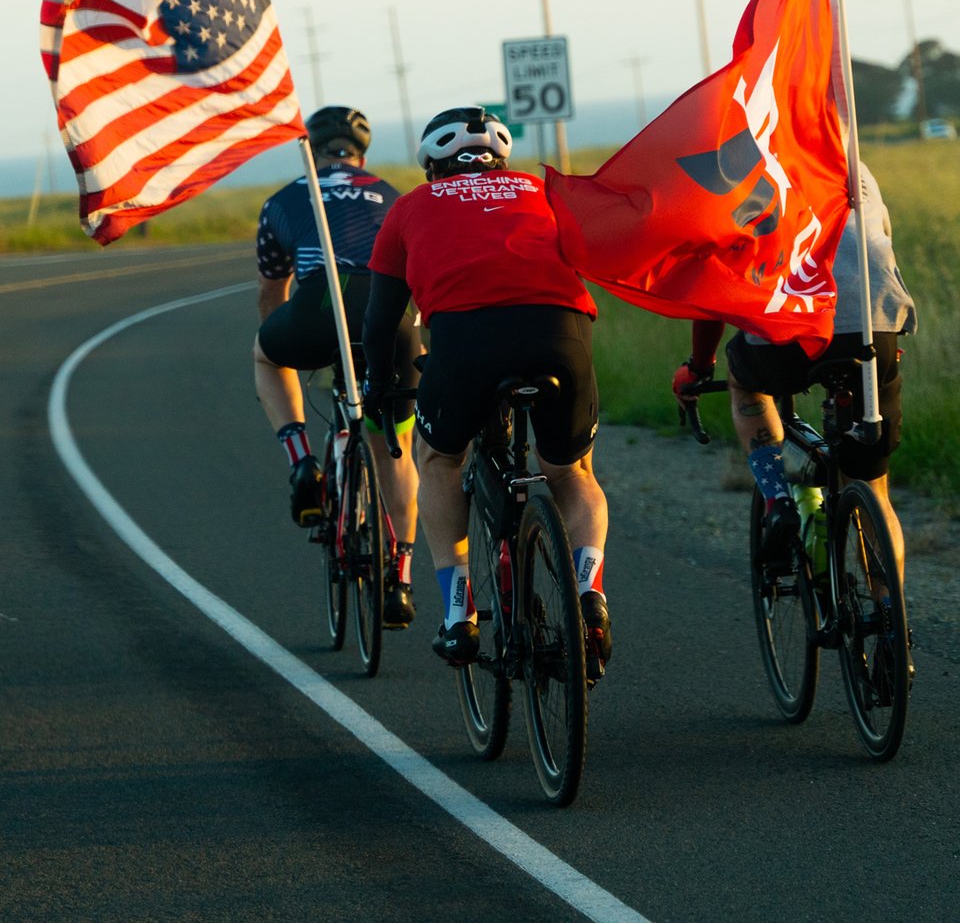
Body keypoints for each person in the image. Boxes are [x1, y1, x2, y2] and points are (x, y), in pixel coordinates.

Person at [361, 105, 611, 672]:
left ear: (432, 164)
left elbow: (380, 324)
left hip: (465, 340)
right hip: (561, 333)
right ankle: (590, 591)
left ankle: (457, 613)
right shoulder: (543, 191)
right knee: (572, 472)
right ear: (502, 156)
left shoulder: (409, 207)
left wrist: (381, 383)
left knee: (441, 459)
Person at [671, 162, 917, 587]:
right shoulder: (855, 162)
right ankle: (892, 636)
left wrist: (698, 364)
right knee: (874, 489)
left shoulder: (743, 169)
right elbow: (882, 246)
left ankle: (778, 499)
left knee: (744, 380)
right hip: (874, 325)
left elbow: (714, 281)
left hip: (786, 330)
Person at [253, 105, 420, 628]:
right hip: (388, 312)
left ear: (312, 149)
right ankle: (401, 580)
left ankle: (302, 458)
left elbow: (271, 294)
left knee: (264, 351)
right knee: (395, 448)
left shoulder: (282, 199)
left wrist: (287, 337)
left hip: (319, 300)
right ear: (362, 153)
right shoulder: (393, 194)